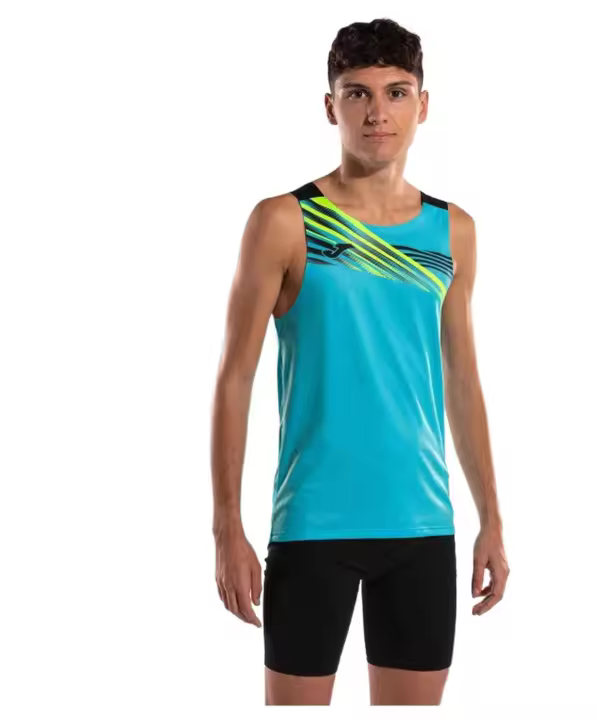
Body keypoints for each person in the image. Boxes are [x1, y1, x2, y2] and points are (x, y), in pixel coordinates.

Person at [211, 17, 509, 706]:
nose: (378, 112)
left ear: (422, 105)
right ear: (331, 106)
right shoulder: (284, 221)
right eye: (358, 94)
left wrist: (492, 516)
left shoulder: (453, 229)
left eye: (396, 93)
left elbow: (462, 378)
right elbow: (234, 377)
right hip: (314, 523)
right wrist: (227, 526)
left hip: (421, 525)